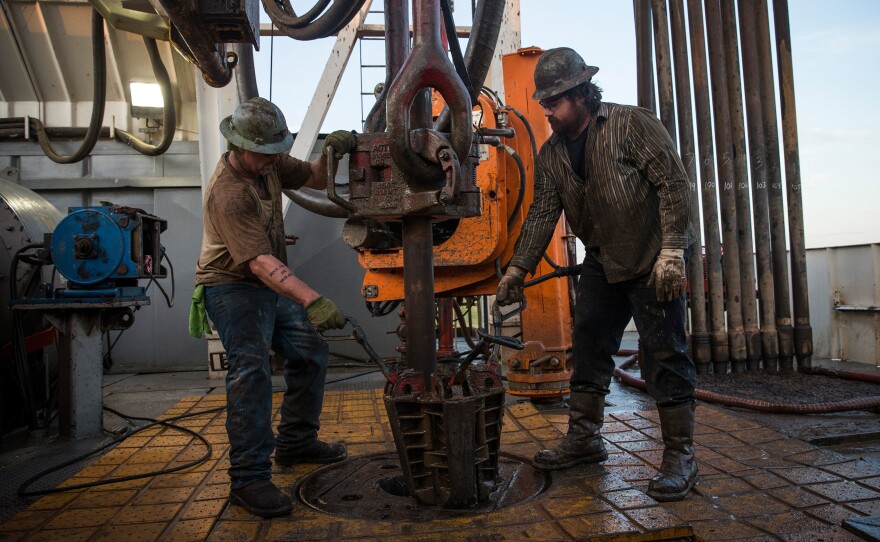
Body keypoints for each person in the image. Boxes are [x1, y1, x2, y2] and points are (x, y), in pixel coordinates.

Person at [496, 48, 698, 502]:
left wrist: (672, 251)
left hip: (651, 260)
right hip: (603, 262)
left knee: (664, 355)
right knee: (588, 347)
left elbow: (673, 183)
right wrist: (517, 269)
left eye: (553, 102)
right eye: (543, 102)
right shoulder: (551, 154)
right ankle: (585, 439)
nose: (545, 110)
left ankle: (681, 456)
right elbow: (543, 212)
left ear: (581, 95)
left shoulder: (631, 124)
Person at [195, 97, 357, 517]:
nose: (273, 160)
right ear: (239, 144)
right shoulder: (228, 193)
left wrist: (331, 151)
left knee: (310, 352)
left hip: (265, 282)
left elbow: (317, 179)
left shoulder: (269, 161)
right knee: (251, 370)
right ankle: (248, 479)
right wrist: (313, 299)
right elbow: (260, 264)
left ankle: (297, 442)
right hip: (231, 286)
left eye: (276, 152)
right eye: (265, 153)